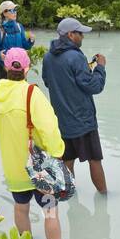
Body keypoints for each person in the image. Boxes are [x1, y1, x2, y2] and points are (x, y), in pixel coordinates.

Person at [0, 47, 65, 239]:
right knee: (50, 210)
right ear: (27, 69)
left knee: (21, 208)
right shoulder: (32, 93)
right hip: (39, 167)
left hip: (14, 166)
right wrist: (57, 152)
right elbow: (49, 128)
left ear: (6, 67)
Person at [42, 16, 108, 193]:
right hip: (83, 121)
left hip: (62, 121)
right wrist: (100, 68)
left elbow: (49, 82)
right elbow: (94, 86)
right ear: (71, 35)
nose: (82, 37)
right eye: (80, 33)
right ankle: (105, 199)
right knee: (94, 159)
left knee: (68, 160)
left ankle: (70, 198)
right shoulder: (75, 57)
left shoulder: (48, 57)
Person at [0, 1, 34, 80]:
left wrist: (31, 40)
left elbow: (25, 46)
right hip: (5, 68)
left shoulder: (19, 26)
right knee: (6, 91)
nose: (15, 13)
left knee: (21, 91)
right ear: (4, 13)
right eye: (12, 10)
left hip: (20, 67)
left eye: (15, 10)